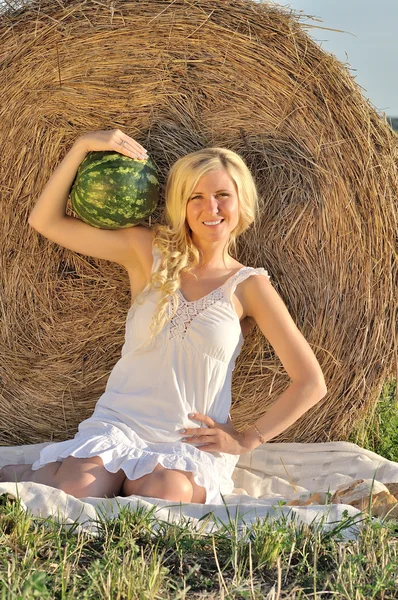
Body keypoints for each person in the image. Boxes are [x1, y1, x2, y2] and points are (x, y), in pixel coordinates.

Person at [0, 129, 327, 504]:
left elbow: (311, 382)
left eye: (223, 196)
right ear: (181, 205)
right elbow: (46, 221)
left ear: (241, 203)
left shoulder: (248, 286)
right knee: (70, 491)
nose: (211, 208)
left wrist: (247, 438)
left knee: (166, 496)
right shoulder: (147, 251)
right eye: (196, 197)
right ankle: (35, 472)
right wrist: (83, 147)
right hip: (120, 424)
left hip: (187, 441)